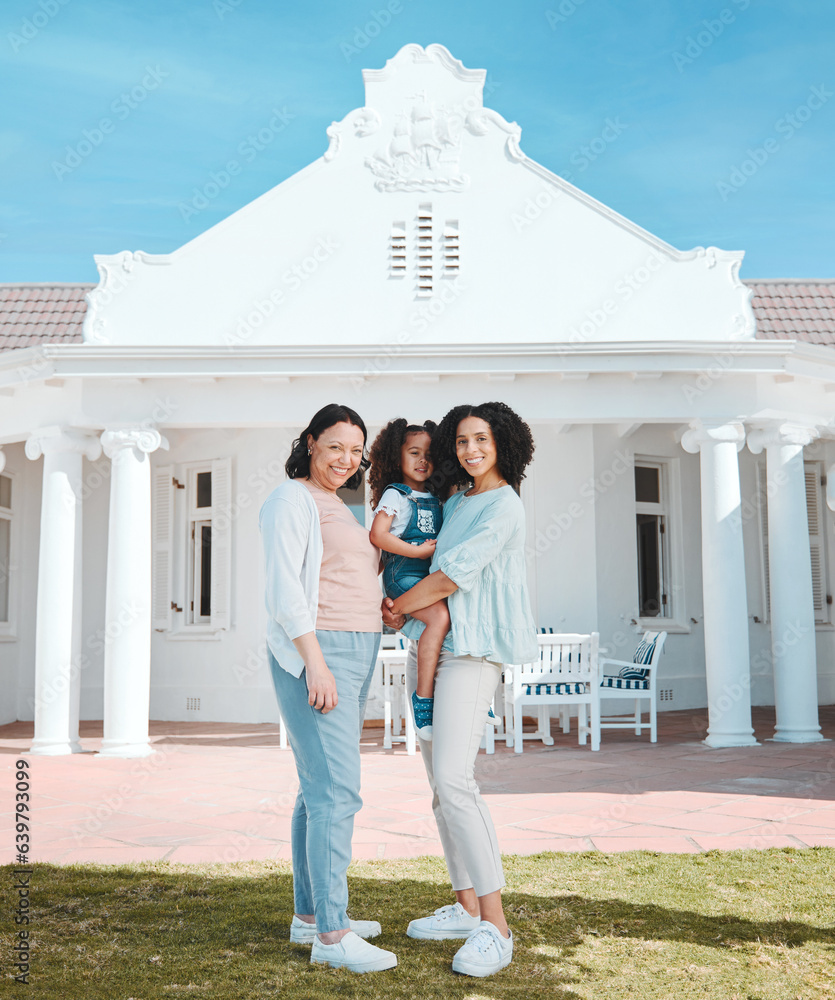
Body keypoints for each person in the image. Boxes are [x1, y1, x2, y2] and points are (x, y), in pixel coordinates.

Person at [383, 401, 537, 978]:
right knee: (439, 788)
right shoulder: (455, 501)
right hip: (437, 648)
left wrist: (398, 608)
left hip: (474, 652)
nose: (472, 450)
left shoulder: (504, 505)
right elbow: (424, 572)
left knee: (455, 780)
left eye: (482, 440)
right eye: (464, 441)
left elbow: (451, 577)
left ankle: (496, 928)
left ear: (503, 444)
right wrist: (399, 605)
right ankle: (468, 905)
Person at [259, 403, 397, 974]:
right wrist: (314, 663)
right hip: (324, 651)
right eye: (335, 446)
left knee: (315, 790)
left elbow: (346, 573)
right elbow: (285, 588)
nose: (346, 459)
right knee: (337, 792)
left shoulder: (335, 504)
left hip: (355, 645)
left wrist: (381, 607)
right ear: (311, 442)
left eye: (355, 450)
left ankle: (310, 916)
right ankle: (334, 937)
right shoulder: (291, 498)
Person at [368, 419, 448, 740]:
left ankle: (466, 689)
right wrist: (415, 553)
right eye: (414, 452)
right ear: (396, 457)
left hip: (427, 578)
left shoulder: (435, 495)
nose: (422, 460)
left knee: (453, 614)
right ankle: (423, 698)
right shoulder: (396, 495)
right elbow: (378, 534)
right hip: (403, 575)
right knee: (440, 617)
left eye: (428, 454)